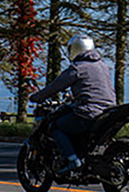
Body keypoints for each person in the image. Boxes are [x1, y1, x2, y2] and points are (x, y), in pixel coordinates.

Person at [28, 34, 116, 176]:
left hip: (88, 112)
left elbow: (55, 86)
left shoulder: (77, 68)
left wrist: (37, 97)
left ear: (75, 49)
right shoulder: (103, 66)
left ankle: (72, 160)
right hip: (109, 112)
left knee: (55, 127)